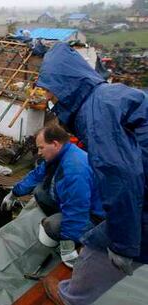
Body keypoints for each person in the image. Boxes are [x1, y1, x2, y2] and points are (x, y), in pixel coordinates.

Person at [36, 42, 148, 305]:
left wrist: (122, 243)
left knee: (97, 247)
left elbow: (121, 177)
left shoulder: (96, 114)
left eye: (51, 91)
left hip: (135, 196)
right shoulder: (105, 98)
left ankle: (71, 297)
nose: (50, 98)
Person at [1, 125, 104, 267]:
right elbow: (36, 175)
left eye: (41, 148)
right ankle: (65, 221)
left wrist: (68, 245)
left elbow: (77, 210)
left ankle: (78, 237)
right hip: (78, 203)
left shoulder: (75, 170)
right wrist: (14, 193)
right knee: (39, 192)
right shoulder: (61, 154)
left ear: (55, 144)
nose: (39, 152)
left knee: (52, 226)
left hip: (94, 216)